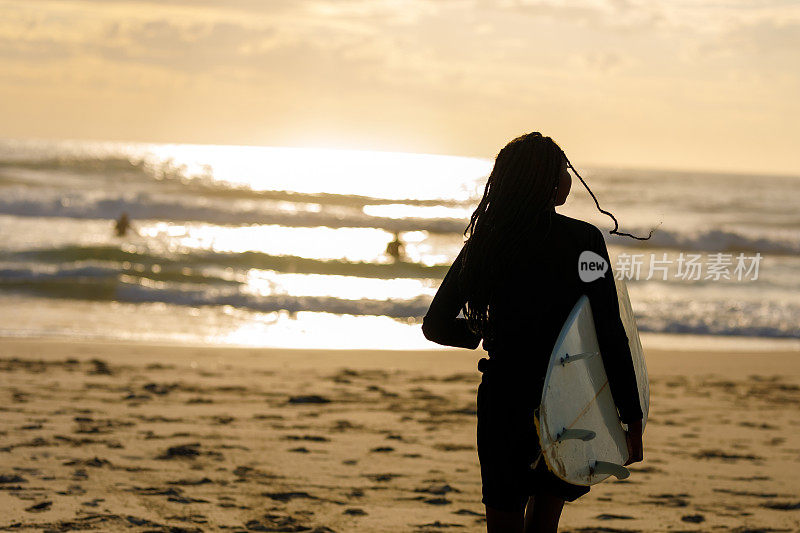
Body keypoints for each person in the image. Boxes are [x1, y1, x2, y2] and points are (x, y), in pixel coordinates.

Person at [422, 132, 653, 533]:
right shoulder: (584, 241)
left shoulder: (487, 241)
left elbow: (436, 324)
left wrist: (484, 330)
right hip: (565, 397)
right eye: (563, 170)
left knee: (503, 519)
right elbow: (610, 331)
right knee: (544, 520)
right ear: (547, 180)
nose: (568, 179)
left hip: (504, 399)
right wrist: (631, 417)